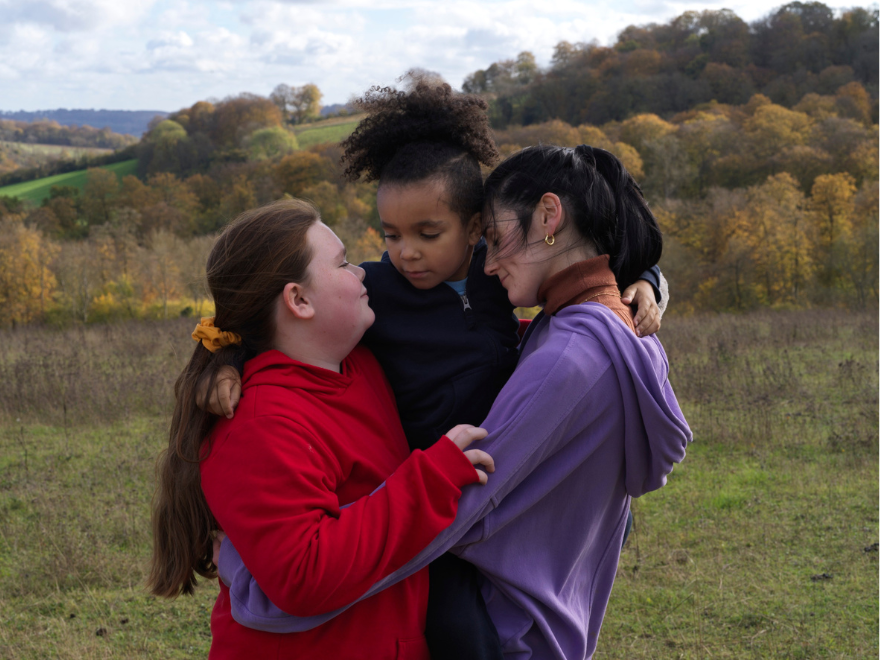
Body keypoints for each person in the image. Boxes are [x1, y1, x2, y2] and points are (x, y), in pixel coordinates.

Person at [201, 80, 667, 660]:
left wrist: (647, 282)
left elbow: (593, 257)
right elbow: (273, 314)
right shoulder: (377, 296)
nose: (404, 253)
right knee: (458, 629)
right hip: (438, 504)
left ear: (475, 230)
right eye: (389, 236)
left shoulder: (495, 271)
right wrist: (228, 362)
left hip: (501, 474)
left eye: (427, 234)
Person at [147, 199, 496, 660]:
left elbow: (461, 348)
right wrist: (430, 480)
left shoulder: (359, 361)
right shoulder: (258, 423)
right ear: (299, 300)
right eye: (343, 263)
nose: (363, 273)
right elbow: (304, 575)